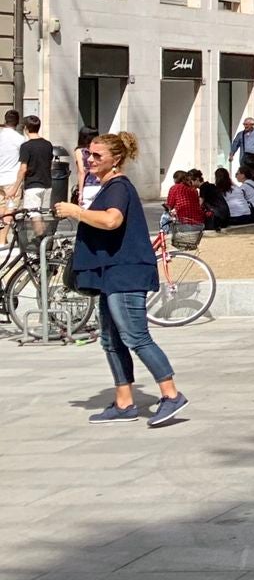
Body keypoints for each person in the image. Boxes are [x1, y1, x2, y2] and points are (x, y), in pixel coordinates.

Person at [55, 131, 188, 427]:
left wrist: (76, 211)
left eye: (97, 155)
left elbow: (112, 220)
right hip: (111, 274)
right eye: (88, 154)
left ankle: (171, 395)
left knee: (136, 336)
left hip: (125, 273)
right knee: (110, 340)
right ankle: (124, 402)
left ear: (115, 159)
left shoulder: (118, 187)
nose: (90, 160)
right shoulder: (108, 186)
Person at [7, 113, 53, 213]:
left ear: (26, 128)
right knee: (44, 215)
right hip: (47, 185)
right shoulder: (48, 144)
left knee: (34, 215)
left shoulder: (26, 146)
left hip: (32, 186)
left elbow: (23, 169)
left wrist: (14, 189)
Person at [227, 117, 254, 183]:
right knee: (244, 176)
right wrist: (231, 154)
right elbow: (235, 145)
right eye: (244, 124)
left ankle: (253, 187)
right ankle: (245, 187)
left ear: (252, 125)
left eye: (247, 124)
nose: (245, 126)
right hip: (244, 158)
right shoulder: (240, 134)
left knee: (253, 176)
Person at [0, 109, 20, 197]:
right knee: (12, 206)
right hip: (12, 181)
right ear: (17, 122)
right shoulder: (20, 139)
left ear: (5, 121)